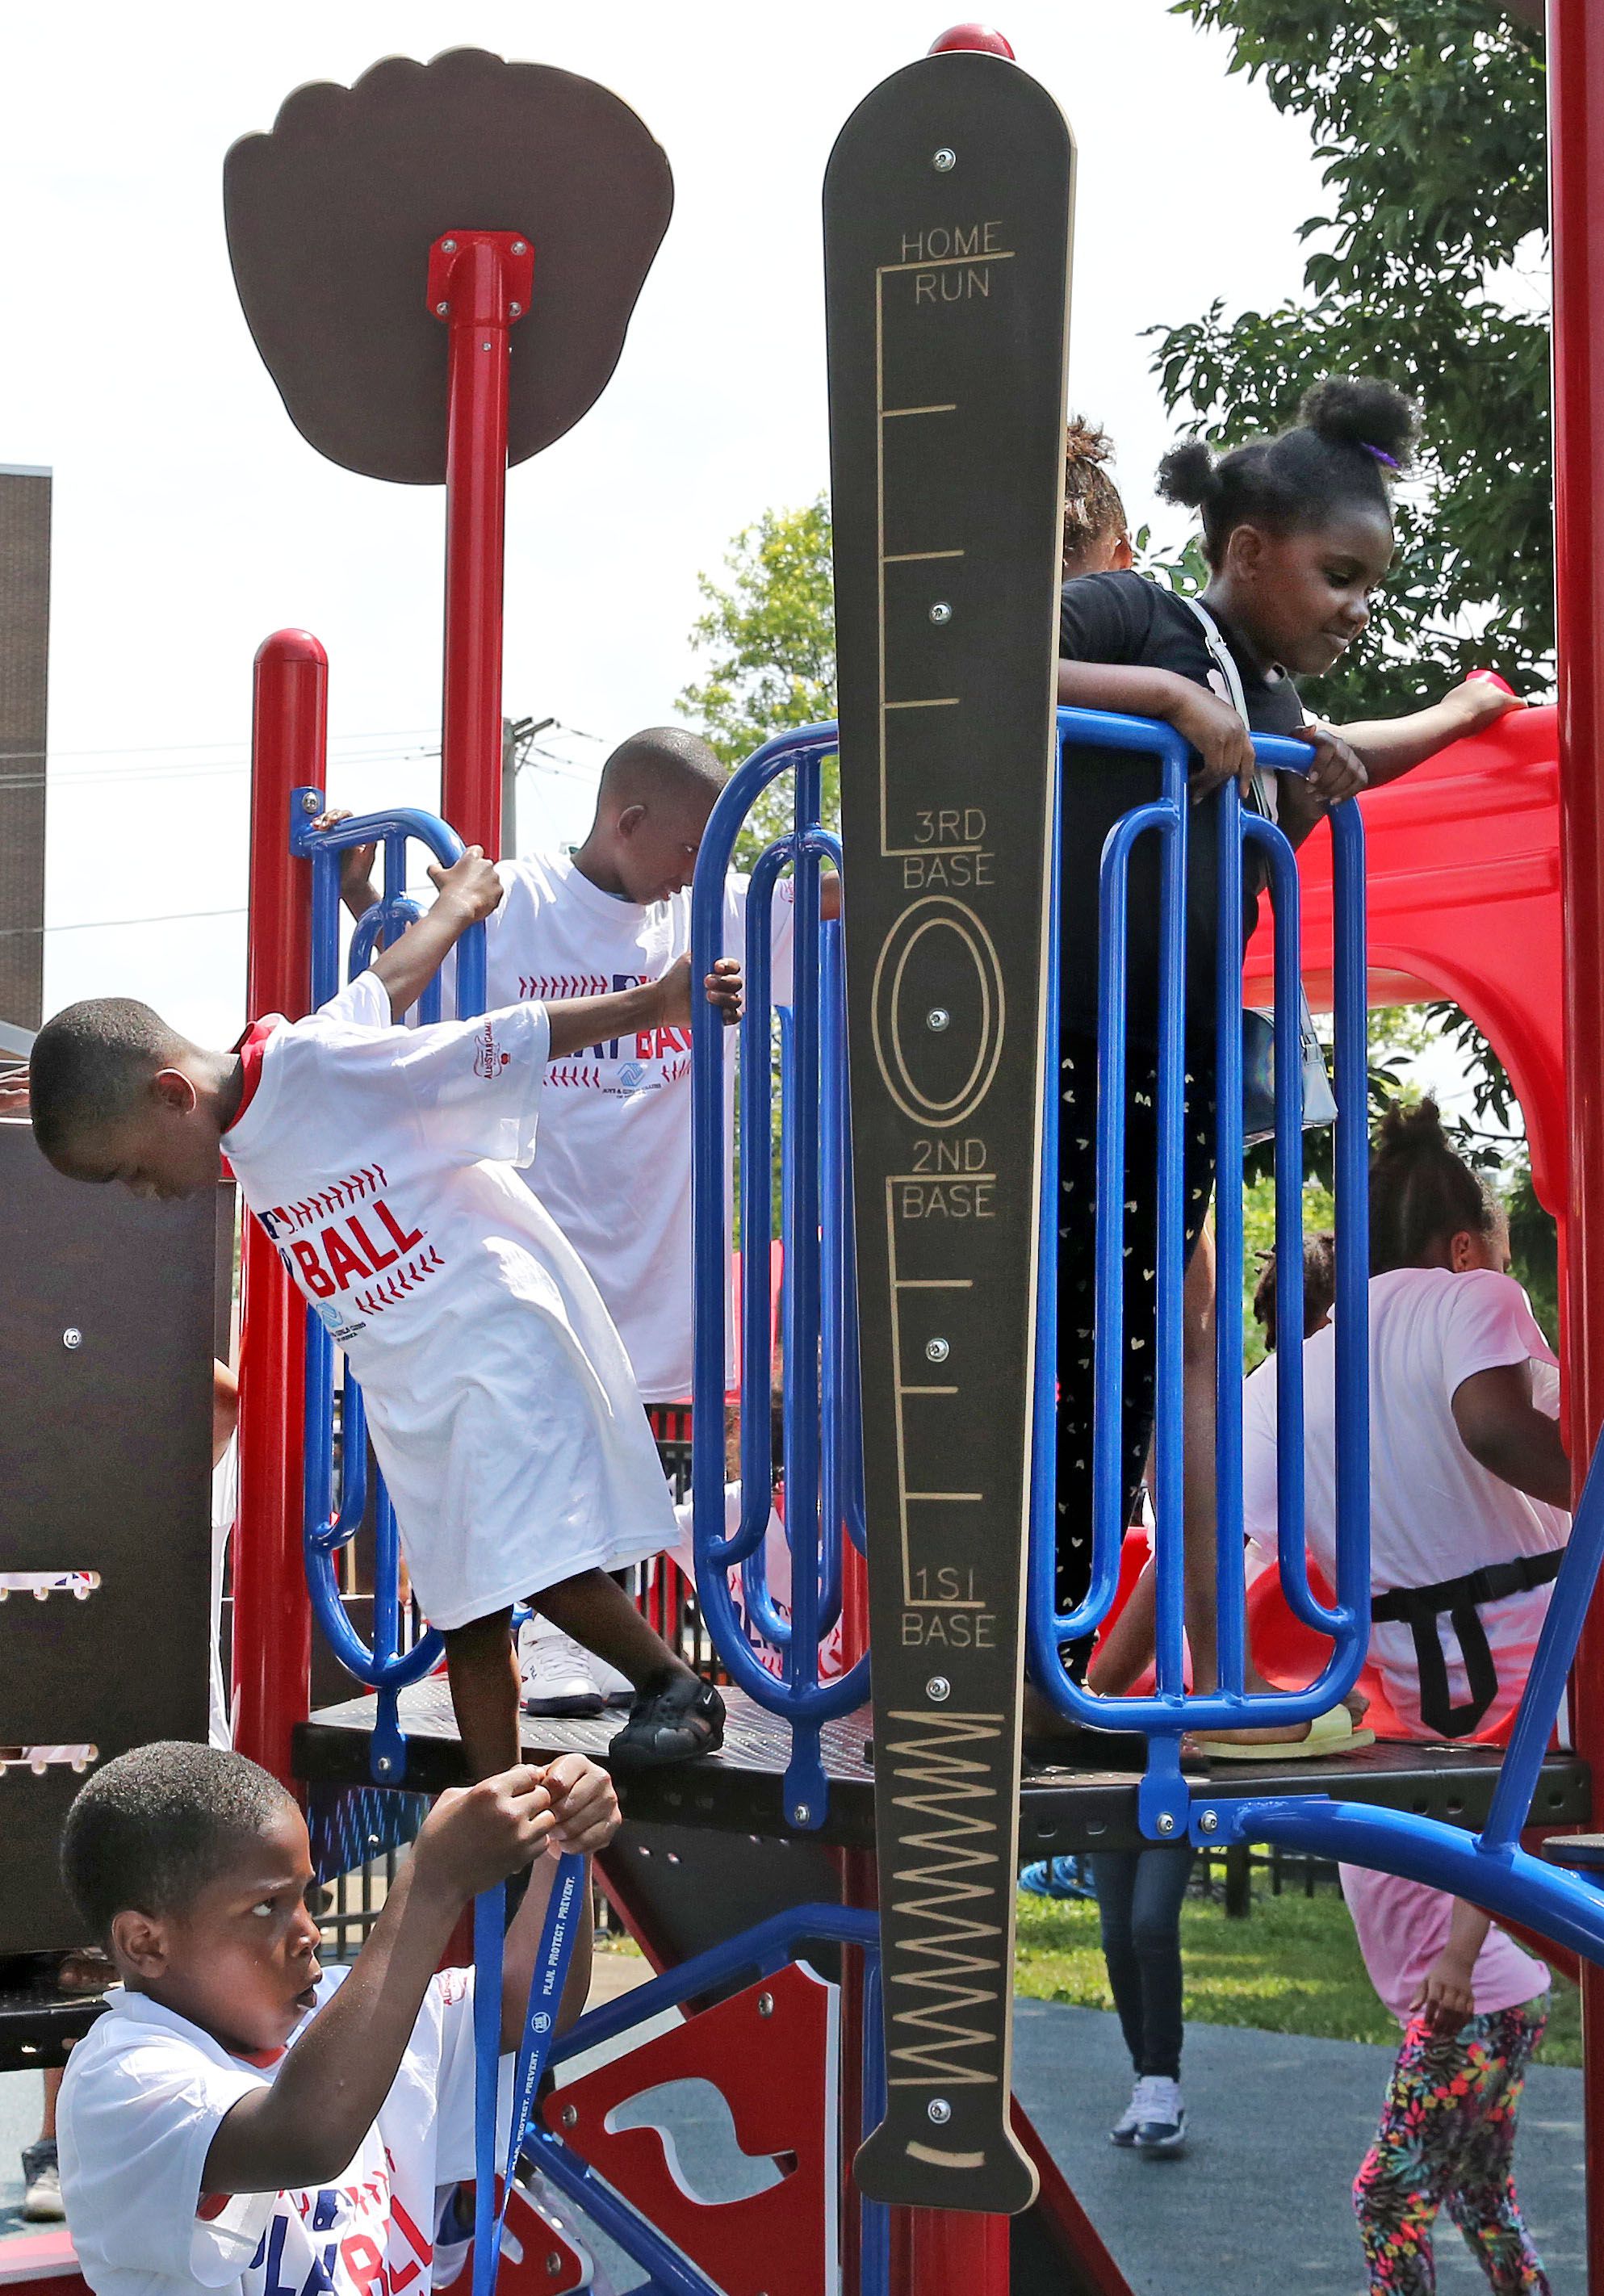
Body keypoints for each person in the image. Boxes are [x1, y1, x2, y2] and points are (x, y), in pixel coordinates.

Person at [27, 852, 744, 1781]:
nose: (143, 1192)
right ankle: (496, 1811)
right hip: (415, 1379)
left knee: (513, 1557)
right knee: (464, 1608)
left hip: (489, 1330)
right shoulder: (276, 1080)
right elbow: (383, 985)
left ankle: (673, 1683)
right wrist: (453, 904)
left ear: (172, 1093)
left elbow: (488, 1043)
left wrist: (649, 1007)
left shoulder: (313, 1071)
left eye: (130, 1167)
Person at [1047, 378, 1522, 1748]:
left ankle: (1069, 1656)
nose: (1354, 607)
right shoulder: (1147, 623)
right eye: (1338, 574)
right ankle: (1027, 1655)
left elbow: (1350, 758)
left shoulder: (1260, 707)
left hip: (1171, 1073)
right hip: (1078, 1053)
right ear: (1248, 549)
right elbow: (972, 663)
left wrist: (1459, 708)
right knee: (1075, 1353)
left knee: (1131, 1355)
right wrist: (1159, 702)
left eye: (1372, 582)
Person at [329, 724, 839, 1716]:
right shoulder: (515, 902)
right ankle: (611, 1667)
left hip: (661, 1268)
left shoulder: (710, 908)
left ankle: (625, 1665)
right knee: (529, 1492)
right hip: (535, 1264)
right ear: (628, 821)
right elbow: (403, 984)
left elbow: (819, 898)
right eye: (692, 847)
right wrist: (356, 888)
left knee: (609, 1488)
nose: (703, 870)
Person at [1243, 1103, 1564, 2291]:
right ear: (1466, 1242)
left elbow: (1226, 1565)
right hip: (1522, 1701)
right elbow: (1491, 1426)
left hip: (1419, 1730)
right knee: (1474, 2193)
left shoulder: (1282, 1381)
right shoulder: (1456, 1310)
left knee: (1391, 2195)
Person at [55, 1739, 618, 2296]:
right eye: (265, 1907)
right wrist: (432, 1883)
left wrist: (564, 1848)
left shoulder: (344, 2018)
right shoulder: (121, 2078)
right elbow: (303, 2140)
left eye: (307, 1898)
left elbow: (524, 2005)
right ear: (146, 1944)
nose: (309, 1933)